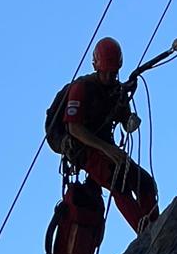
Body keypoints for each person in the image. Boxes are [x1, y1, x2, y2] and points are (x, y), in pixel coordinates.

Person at [63, 36, 159, 234]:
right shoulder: (81, 89)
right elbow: (74, 128)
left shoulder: (116, 91)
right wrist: (106, 148)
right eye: (105, 72)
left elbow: (125, 121)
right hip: (84, 149)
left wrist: (131, 121)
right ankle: (146, 234)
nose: (109, 76)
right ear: (96, 67)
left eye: (113, 72)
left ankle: (156, 226)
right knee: (119, 184)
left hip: (106, 149)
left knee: (145, 182)